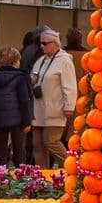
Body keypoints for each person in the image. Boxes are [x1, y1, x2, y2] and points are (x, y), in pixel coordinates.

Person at [29, 27, 77, 167]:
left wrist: (69, 106)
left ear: (55, 43)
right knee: (37, 145)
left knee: (51, 141)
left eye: (45, 43)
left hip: (55, 108)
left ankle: (72, 166)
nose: (41, 46)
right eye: (40, 43)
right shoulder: (41, 60)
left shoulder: (65, 60)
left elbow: (70, 86)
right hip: (38, 109)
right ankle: (43, 176)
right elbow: (35, 74)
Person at [0, 47, 33, 167]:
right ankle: (21, 176)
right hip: (18, 119)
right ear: (15, 61)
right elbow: (24, 101)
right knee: (19, 149)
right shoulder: (20, 77)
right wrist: (27, 120)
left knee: (0, 149)